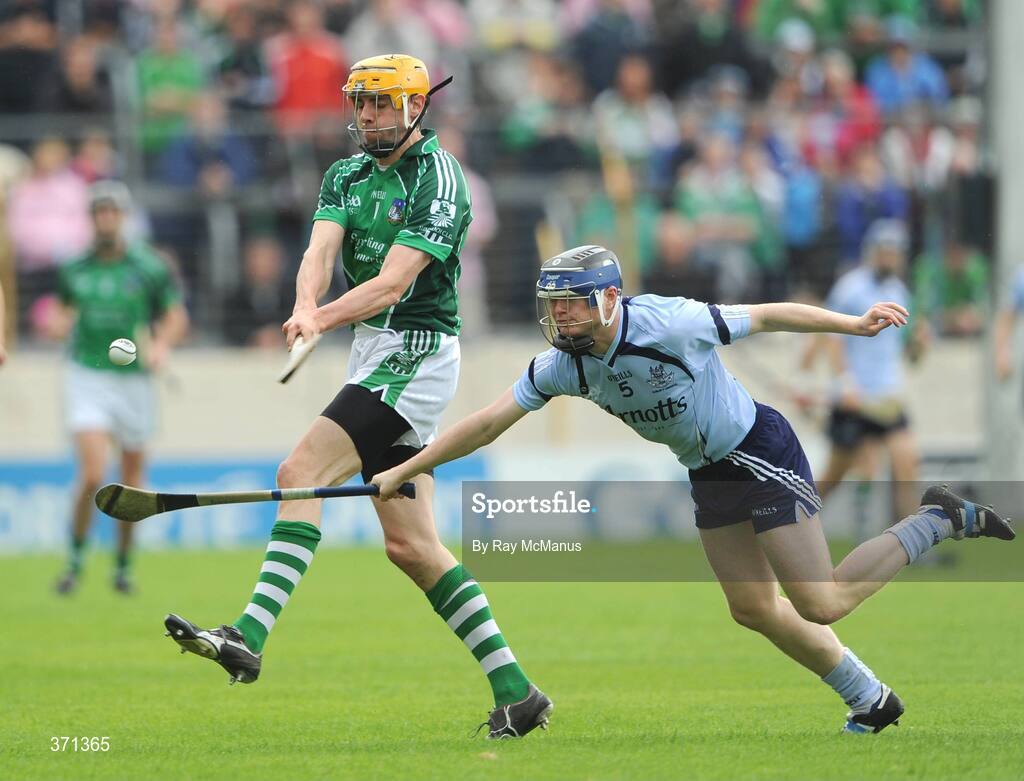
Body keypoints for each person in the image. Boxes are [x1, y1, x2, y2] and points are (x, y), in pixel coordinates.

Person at [371, 243, 1014, 734]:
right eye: (552, 305)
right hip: (708, 471)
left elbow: (765, 316)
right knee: (753, 610)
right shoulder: (564, 366)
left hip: (758, 451)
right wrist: (406, 469)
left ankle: (938, 518)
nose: (559, 316)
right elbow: (486, 423)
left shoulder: (670, 323)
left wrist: (852, 325)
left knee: (821, 600)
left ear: (611, 299)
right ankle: (872, 700)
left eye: (570, 302)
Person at [164, 54, 552, 740]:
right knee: (413, 548)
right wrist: (303, 301)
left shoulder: (440, 178)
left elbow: (393, 285)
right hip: (375, 352)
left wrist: (321, 320)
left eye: (380, 104)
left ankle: (248, 634)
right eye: (360, 103)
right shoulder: (344, 173)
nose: (366, 115)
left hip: (417, 354)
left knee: (298, 473)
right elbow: (319, 251)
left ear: (413, 108)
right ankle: (517, 691)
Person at [51, 180, 189, 595]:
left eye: (113, 211)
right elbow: (59, 314)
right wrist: (56, 324)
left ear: (123, 217)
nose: (106, 219)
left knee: (131, 483)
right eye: (99, 212)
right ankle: (75, 561)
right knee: (93, 473)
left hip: (135, 382)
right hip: (86, 375)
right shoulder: (74, 268)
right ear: (92, 219)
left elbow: (174, 315)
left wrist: (161, 346)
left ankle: (123, 567)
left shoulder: (148, 266)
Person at [808, 219, 928, 531]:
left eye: (896, 252)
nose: (890, 257)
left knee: (907, 462)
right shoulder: (851, 287)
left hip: (887, 398)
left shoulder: (899, 291)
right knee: (838, 475)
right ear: (872, 252)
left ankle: (913, 540)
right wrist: (845, 383)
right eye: (885, 251)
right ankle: (791, 520)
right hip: (855, 398)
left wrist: (920, 345)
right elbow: (831, 337)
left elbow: (907, 354)